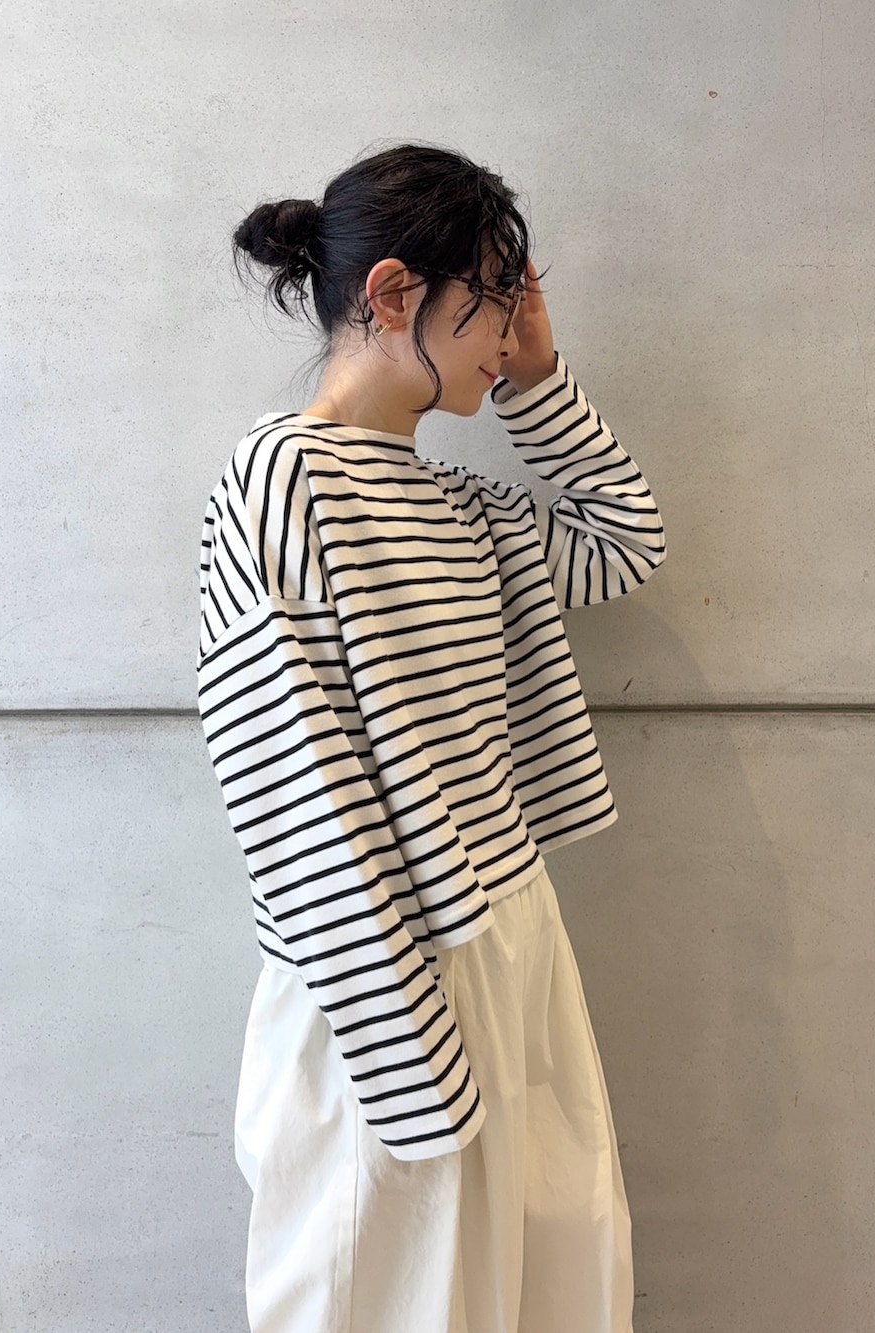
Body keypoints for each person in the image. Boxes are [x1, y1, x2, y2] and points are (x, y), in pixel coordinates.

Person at [195, 142, 666, 1333]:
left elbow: (623, 541)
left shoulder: (468, 510)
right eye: (497, 303)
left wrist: (539, 381)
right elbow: (290, 786)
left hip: (510, 940)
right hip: (377, 979)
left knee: (550, 1283)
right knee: (381, 1296)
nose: (508, 334)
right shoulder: (282, 477)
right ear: (394, 292)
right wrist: (411, 1068)